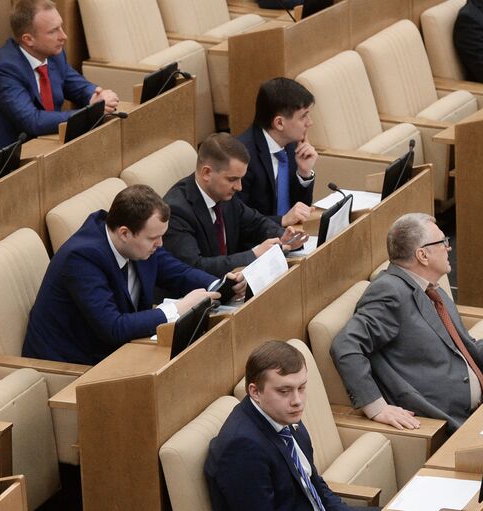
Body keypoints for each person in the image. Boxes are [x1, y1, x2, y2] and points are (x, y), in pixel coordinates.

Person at [205, 341, 393, 511]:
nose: (297, 400)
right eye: (284, 391)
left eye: (302, 388)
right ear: (254, 391)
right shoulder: (242, 449)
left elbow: (315, 484)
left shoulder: (283, 415)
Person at [331, 213, 483, 431]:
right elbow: (345, 346)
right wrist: (377, 407)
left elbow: (468, 349)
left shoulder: (432, 289)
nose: (449, 248)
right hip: (443, 421)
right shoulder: (389, 292)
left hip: (481, 412)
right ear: (422, 255)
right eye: (442, 242)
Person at [22, 185, 219, 365]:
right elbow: (113, 327)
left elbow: (178, 272)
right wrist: (180, 308)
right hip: (70, 365)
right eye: (153, 238)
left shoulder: (138, 242)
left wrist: (219, 286)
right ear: (124, 233)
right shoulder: (81, 258)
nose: (160, 244)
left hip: (120, 350)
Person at [0, 0, 118, 158]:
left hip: (40, 148)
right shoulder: (4, 69)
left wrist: (96, 96)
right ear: (28, 39)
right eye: (53, 31)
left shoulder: (54, 54)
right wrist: (89, 113)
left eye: (60, 27)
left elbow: (75, 84)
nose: (64, 36)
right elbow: (32, 121)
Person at [162, 133, 306, 278]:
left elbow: (256, 223)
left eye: (241, 179)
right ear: (206, 173)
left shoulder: (223, 194)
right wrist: (254, 255)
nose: (239, 187)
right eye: (232, 179)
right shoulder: (176, 210)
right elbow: (195, 267)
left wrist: (283, 236)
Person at [235, 77, 316, 226]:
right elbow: (236, 219)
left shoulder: (291, 145)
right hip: (259, 244)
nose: (310, 122)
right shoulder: (242, 156)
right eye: (303, 116)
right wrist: (282, 221)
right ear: (279, 123)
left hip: (290, 236)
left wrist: (304, 173)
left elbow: (299, 212)